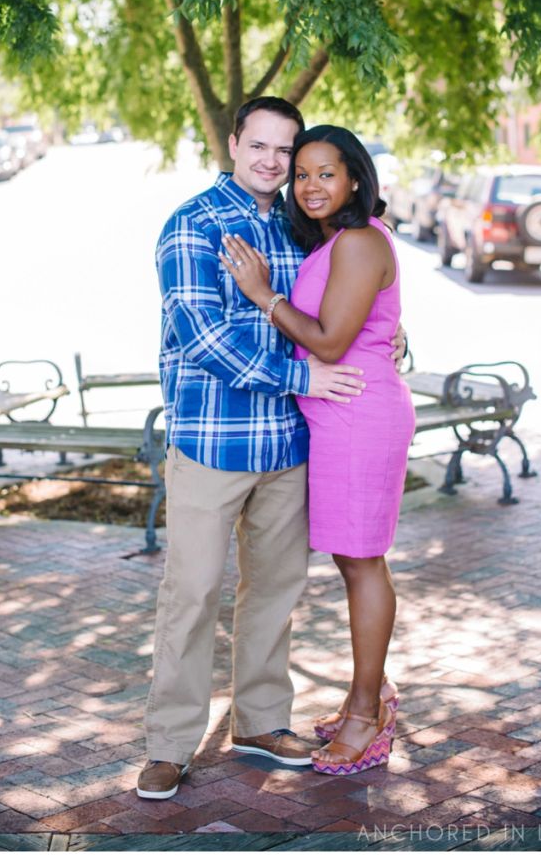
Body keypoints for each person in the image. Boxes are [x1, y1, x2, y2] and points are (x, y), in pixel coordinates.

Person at [138, 97, 405, 800]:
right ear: (233, 143)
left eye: (285, 151)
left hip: (289, 440)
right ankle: (169, 744)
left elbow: (338, 312)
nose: (272, 161)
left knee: (274, 594)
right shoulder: (192, 224)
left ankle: (260, 721)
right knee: (192, 593)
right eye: (259, 145)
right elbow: (201, 336)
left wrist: (386, 341)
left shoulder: (300, 231)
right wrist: (303, 372)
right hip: (211, 438)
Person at [221, 125, 415, 776]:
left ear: (355, 177)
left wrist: (263, 295)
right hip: (336, 417)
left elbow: (330, 342)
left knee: (363, 564)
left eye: (325, 172)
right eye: (301, 173)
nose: (308, 184)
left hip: (360, 414)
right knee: (354, 561)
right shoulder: (340, 241)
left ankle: (366, 712)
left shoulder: (358, 241)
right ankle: (373, 691)